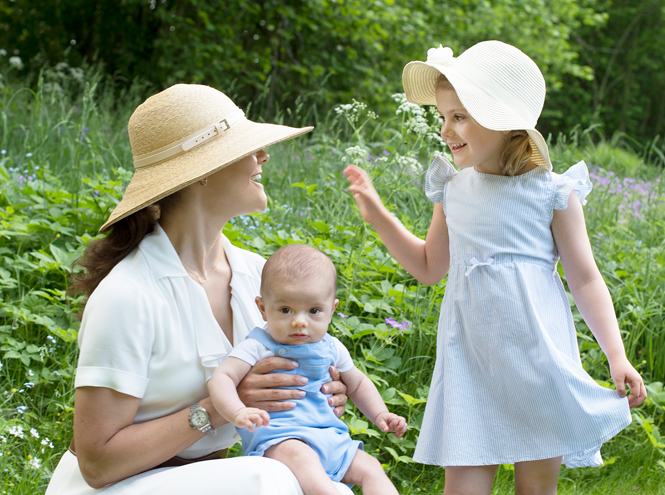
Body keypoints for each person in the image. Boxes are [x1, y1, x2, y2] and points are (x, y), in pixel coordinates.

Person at [344, 40, 647, 494]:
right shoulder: (453, 189)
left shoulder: (552, 193)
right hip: (470, 361)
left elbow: (585, 279)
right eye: (443, 117)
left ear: (504, 120)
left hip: (536, 361)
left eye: (459, 116)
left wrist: (616, 354)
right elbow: (429, 266)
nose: (446, 129)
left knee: (535, 488)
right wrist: (377, 216)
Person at [45, 84, 353, 495]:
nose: (262, 156)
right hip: (110, 489)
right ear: (203, 170)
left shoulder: (258, 276)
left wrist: (317, 392)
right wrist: (221, 407)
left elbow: (288, 389)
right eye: (248, 147)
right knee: (273, 479)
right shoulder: (129, 295)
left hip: (204, 481)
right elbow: (98, 464)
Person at [208, 244, 407, 495]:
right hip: (282, 438)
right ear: (262, 309)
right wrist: (237, 411)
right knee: (304, 461)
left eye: (313, 311)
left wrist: (381, 414)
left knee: (371, 468)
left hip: (331, 436)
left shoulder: (333, 347)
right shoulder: (258, 345)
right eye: (285, 310)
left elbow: (357, 383)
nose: (299, 321)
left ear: (332, 310)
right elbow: (222, 378)